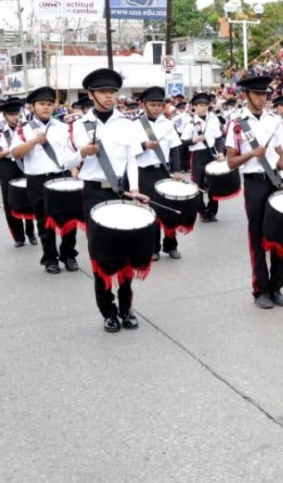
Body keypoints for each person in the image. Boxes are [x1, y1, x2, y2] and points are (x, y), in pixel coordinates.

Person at [67, 69, 151, 333]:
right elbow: (65, 161)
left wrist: (135, 189)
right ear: (91, 95)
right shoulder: (79, 125)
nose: (109, 97)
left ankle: (126, 308)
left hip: (122, 192)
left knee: (126, 251)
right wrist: (83, 152)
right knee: (101, 253)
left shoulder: (127, 124)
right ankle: (108, 310)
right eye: (103, 92)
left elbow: (131, 161)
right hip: (94, 192)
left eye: (112, 92)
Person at [225, 75, 283, 309]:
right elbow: (230, 162)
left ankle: (276, 286)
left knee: (278, 234)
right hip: (254, 184)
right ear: (246, 94)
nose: (262, 99)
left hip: (275, 181)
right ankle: (260, 289)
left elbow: (280, 154)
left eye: (265, 94)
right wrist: (251, 154)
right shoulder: (237, 122)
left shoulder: (273, 120)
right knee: (258, 236)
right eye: (257, 94)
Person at [11, 86, 80, 275]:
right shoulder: (23, 130)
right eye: (42, 104)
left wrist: (74, 169)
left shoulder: (62, 127)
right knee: (44, 221)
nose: (46, 108)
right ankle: (50, 258)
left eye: (49, 104)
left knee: (69, 219)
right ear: (32, 106)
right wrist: (34, 141)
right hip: (37, 180)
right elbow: (15, 153)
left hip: (61, 177)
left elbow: (69, 153)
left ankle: (69, 254)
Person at [135, 86, 185, 261]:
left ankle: (171, 245)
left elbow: (174, 150)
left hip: (164, 171)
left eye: (159, 104)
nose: (156, 108)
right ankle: (153, 248)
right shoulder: (135, 124)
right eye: (153, 104)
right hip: (144, 172)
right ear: (144, 105)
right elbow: (128, 152)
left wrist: (177, 170)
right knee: (151, 211)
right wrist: (143, 145)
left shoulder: (167, 124)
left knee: (169, 210)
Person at [0, 99, 37, 247]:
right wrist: (9, 150)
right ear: (4, 116)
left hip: (25, 164)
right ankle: (18, 236)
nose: (14, 117)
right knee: (9, 200)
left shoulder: (26, 130)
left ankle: (30, 232)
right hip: (8, 167)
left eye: (16, 114)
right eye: (11, 115)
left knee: (29, 198)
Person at [181, 93, 225, 223]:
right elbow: (183, 141)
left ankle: (212, 211)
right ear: (194, 107)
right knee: (197, 185)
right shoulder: (190, 122)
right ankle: (202, 211)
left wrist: (221, 152)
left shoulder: (213, 119)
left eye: (205, 105)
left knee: (214, 185)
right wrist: (194, 140)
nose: (203, 108)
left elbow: (218, 139)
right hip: (197, 156)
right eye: (200, 105)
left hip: (211, 154)